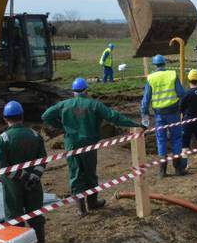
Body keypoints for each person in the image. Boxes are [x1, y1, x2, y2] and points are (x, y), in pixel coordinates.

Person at [42, 77, 141, 216]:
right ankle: (92, 203)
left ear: (73, 91)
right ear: (86, 90)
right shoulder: (94, 105)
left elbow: (46, 116)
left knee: (76, 174)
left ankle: (81, 209)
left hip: (71, 144)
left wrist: (62, 126)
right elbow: (114, 117)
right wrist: (135, 124)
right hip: (88, 144)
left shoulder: (64, 105)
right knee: (90, 173)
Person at [0, 101, 46, 243]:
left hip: (13, 185)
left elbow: (4, 168)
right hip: (33, 183)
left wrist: (22, 176)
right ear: (22, 117)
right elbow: (43, 160)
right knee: (36, 213)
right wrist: (33, 176)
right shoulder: (35, 135)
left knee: (14, 216)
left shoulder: (3, 139)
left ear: (5, 118)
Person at [141, 55, 187, 177]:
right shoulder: (172, 74)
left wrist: (144, 115)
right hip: (173, 112)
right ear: (164, 64)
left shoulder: (151, 78)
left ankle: (162, 171)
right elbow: (181, 93)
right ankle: (178, 169)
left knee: (161, 140)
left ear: (154, 65)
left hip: (159, 115)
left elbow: (146, 100)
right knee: (176, 138)